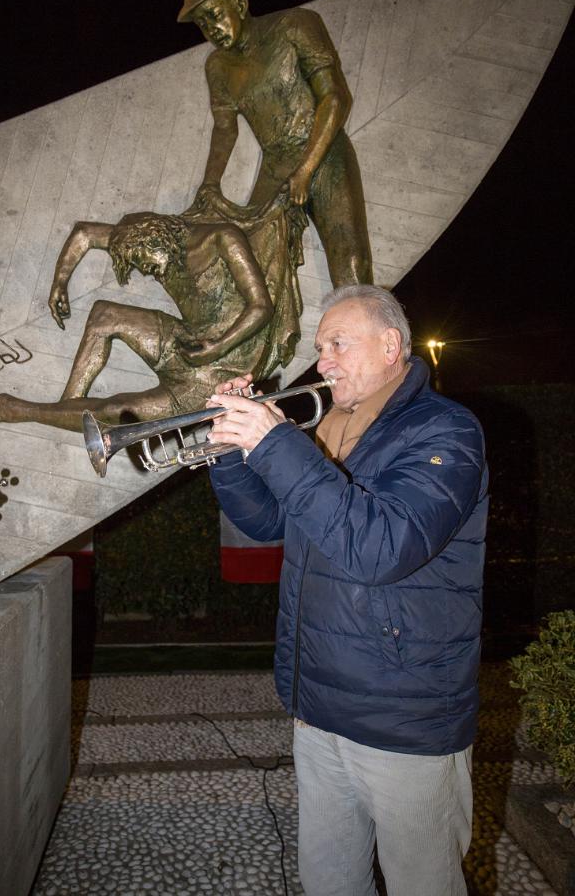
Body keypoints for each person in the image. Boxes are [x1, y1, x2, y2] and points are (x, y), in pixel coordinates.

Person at [205, 285, 488, 896]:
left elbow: (381, 547)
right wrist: (230, 452)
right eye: (320, 347)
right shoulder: (329, 428)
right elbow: (269, 523)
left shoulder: (445, 430)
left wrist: (276, 444)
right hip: (318, 704)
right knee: (330, 881)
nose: (322, 362)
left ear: (390, 346)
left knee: (424, 885)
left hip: (405, 714)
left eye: (338, 344)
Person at [0, 208, 294, 431]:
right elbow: (84, 233)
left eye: (147, 263)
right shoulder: (145, 242)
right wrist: (59, 282)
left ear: (157, 238)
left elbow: (261, 307)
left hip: (218, 372)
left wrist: (218, 347)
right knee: (104, 315)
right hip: (187, 341)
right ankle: (67, 407)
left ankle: (27, 411)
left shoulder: (221, 238)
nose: (147, 271)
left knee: (115, 411)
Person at [178, 0, 373, 288]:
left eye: (214, 15)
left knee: (351, 261)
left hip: (324, 152)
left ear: (239, 4)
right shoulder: (218, 67)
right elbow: (225, 129)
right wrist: (210, 183)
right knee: (249, 268)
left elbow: (335, 97)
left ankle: (361, 320)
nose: (211, 29)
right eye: (203, 24)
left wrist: (306, 170)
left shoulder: (296, 25)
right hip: (276, 166)